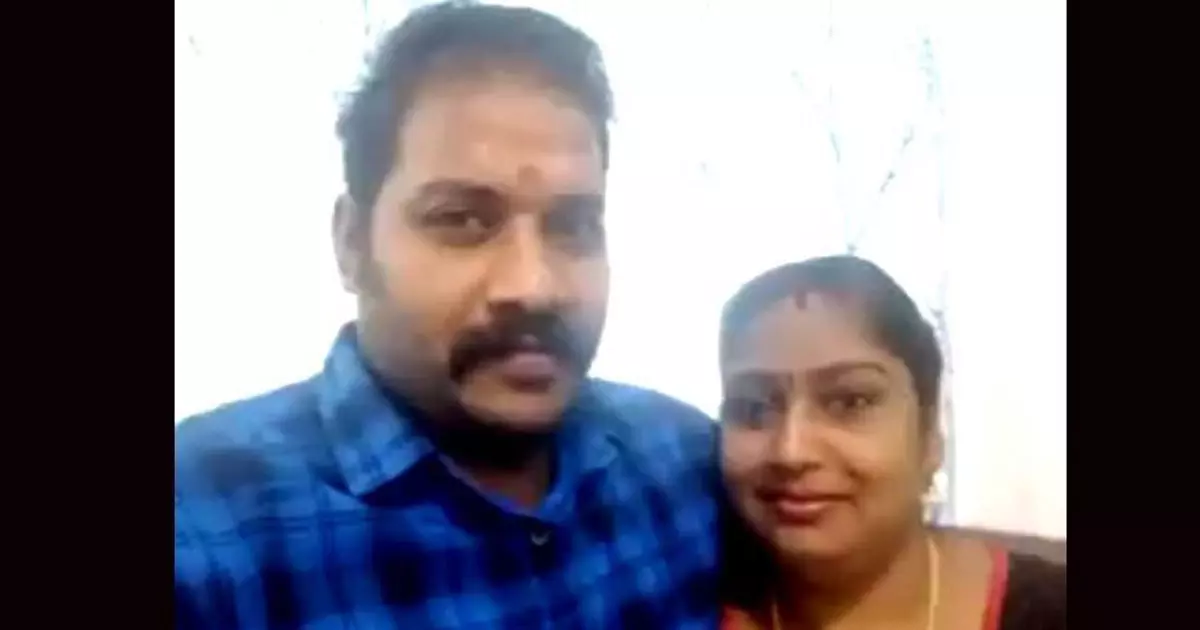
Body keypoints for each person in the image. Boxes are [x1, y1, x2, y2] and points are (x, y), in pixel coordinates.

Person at [174, 3, 719, 628]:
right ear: (352, 245)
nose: (533, 287)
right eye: (462, 220)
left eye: (572, 225)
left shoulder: (685, 465)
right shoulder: (203, 528)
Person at [716, 256, 1065, 630]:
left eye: (851, 402)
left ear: (929, 435)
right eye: (752, 408)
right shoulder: (686, 601)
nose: (791, 451)